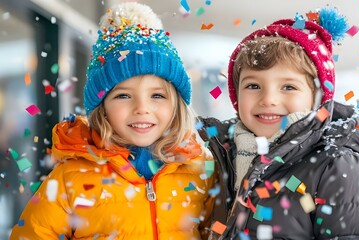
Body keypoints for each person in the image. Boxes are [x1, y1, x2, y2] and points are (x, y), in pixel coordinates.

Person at [10, 2, 216, 239]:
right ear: (102, 107)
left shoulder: (200, 171)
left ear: (177, 106)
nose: (142, 108)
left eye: (157, 95)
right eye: (123, 95)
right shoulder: (69, 178)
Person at [198, 7, 359, 239]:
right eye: (253, 86)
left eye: (288, 87)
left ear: (318, 97)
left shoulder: (339, 164)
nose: (268, 99)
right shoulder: (227, 154)